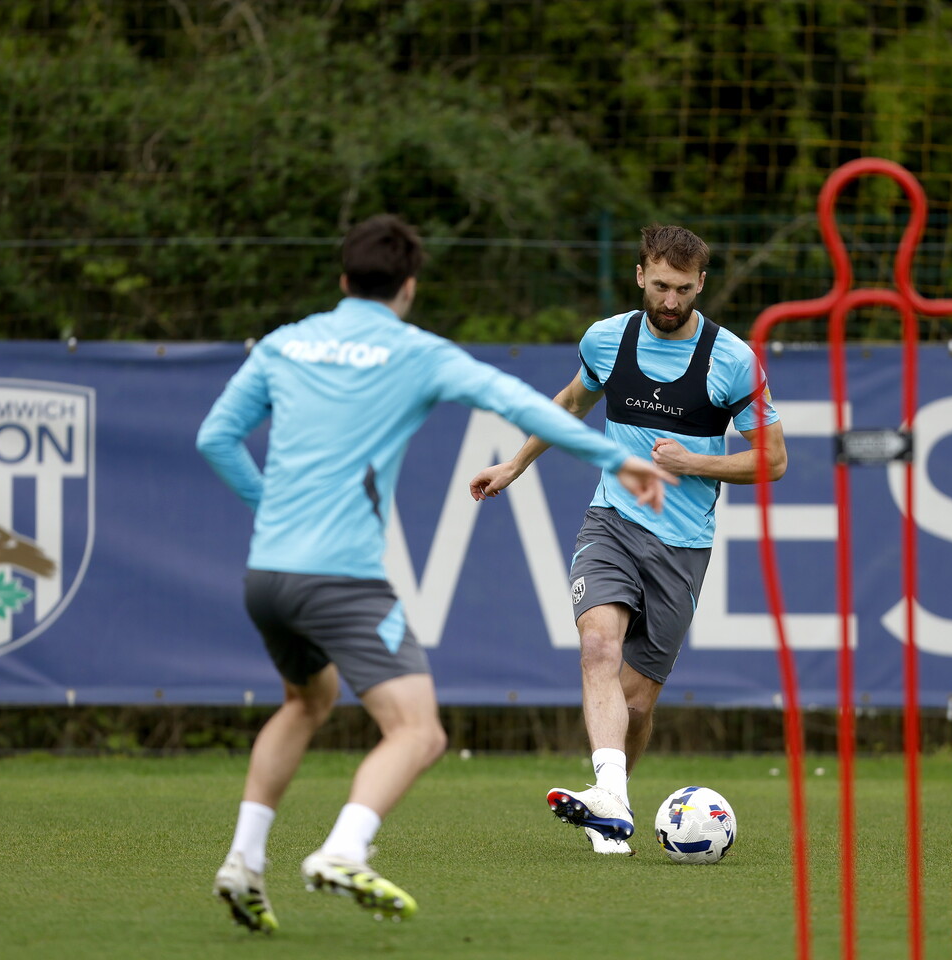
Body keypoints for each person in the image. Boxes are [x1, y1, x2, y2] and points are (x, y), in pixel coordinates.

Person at [196, 214, 673, 933]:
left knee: (305, 702)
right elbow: (518, 402)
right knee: (419, 734)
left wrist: (270, 507)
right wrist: (619, 459)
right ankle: (344, 849)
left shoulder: (284, 344)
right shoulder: (417, 353)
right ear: (410, 287)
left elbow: (215, 437)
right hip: (341, 578)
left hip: (269, 574)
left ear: (342, 279)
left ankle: (243, 859)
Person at [468, 224, 786, 854]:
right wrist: (512, 465)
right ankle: (608, 797)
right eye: (661, 285)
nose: (671, 301)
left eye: (684, 289)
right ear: (641, 274)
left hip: (682, 546)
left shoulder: (733, 361)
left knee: (637, 705)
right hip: (611, 521)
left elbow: (772, 461)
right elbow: (571, 402)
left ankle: (613, 802)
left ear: (702, 284)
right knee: (596, 648)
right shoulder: (606, 339)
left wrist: (694, 463)